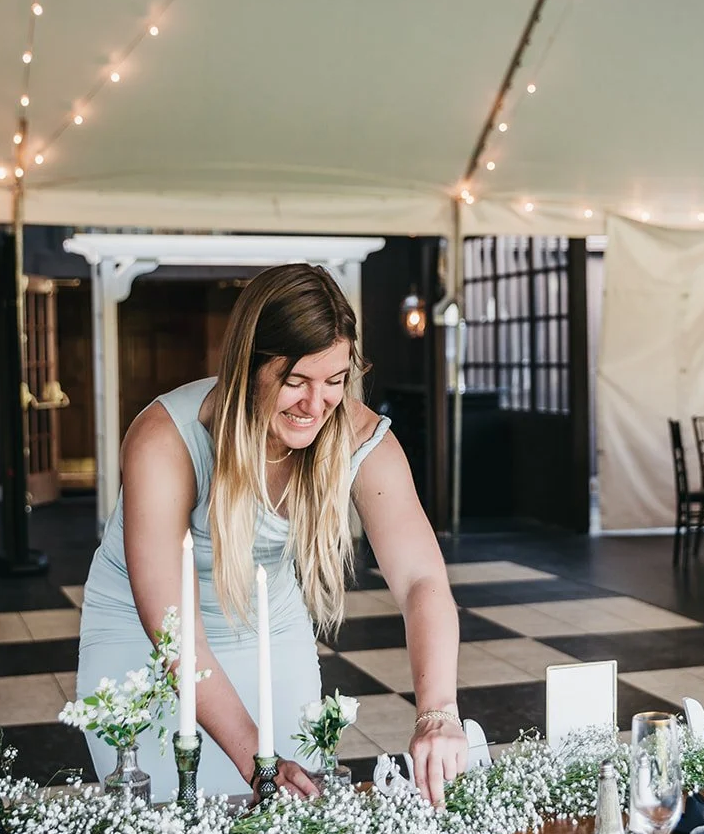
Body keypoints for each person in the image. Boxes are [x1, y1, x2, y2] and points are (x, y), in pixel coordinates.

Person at [77, 264, 468, 804]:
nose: (316, 406)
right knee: (167, 822)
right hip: (145, 638)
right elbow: (175, 634)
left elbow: (421, 579)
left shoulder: (359, 437)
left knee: (294, 813)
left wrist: (437, 711)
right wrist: (256, 760)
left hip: (270, 623)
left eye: (334, 381)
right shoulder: (167, 441)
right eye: (295, 382)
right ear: (249, 366)